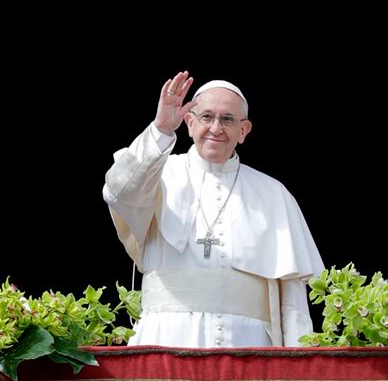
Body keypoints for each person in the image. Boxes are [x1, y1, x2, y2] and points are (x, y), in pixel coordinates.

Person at [103, 70, 325, 347]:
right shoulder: (158, 174)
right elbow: (119, 190)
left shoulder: (273, 194)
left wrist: (297, 362)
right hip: (166, 339)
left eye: (227, 119)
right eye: (206, 117)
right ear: (190, 123)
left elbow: (293, 300)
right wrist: (160, 129)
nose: (216, 128)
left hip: (248, 345)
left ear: (243, 130)